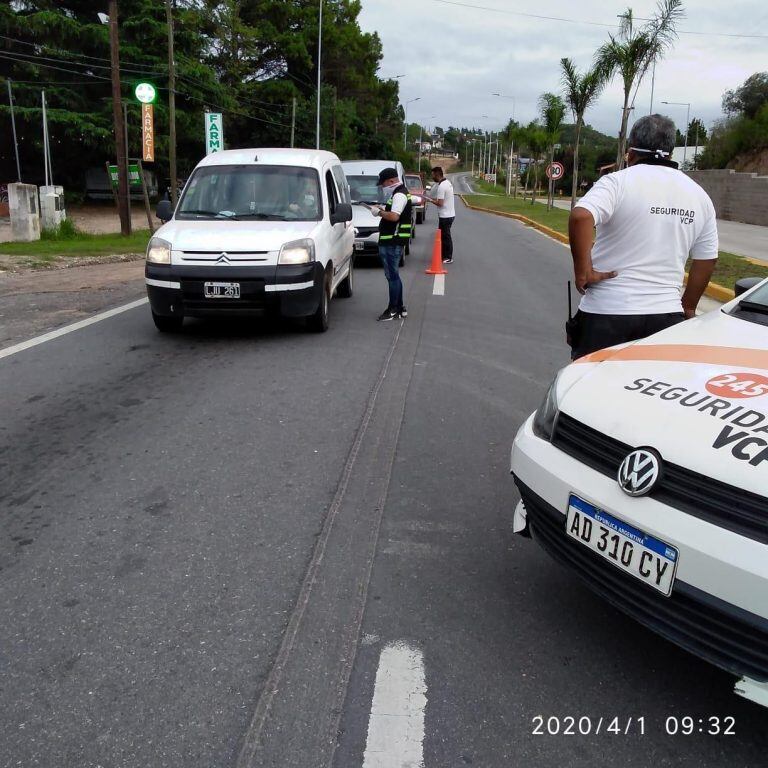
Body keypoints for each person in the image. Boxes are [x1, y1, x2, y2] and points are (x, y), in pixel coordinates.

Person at [567, 113, 718, 360]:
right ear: (671, 152)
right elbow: (707, 259)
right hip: (665, 317)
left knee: (590, 391)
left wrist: (583, 271)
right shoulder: (698, 194)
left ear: (630, 153)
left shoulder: (616, 182)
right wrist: (688, 306)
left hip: (606, 313)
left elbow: (581, 217)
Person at [371, 168, 412, 321]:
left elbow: (394, 217)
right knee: (394, 276)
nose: (382, 187)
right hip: (393, 240)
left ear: (391, 181)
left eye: (383, 184)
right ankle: (400, 308)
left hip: (392, 241)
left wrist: (379, 213)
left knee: (392, 276)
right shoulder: (399, 193)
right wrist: (382, 210)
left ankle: (393, 309)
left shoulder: (399, 194)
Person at [423, 166, 456, 263]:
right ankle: (443, 256)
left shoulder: (442, 186)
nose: (432, 176)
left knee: (445, 237)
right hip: (449, 214)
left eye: (433, 174)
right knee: (443, 236)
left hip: (445, 215)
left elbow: (440, 203)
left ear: (437, 174)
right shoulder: (447, 183)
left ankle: (448, 257)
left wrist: (429, 200)